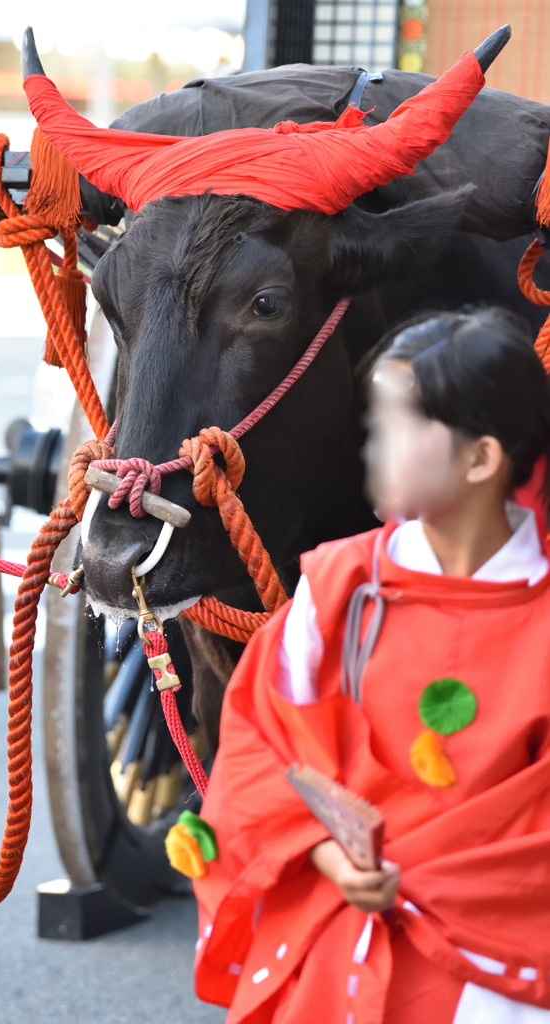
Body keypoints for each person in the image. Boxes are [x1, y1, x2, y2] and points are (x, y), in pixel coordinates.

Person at [192, 307, 550, 1024]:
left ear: (480, 460)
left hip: (495, 978)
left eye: (393, 429)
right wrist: (320, 846)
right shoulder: (336, 588)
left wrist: (416, 876)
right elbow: (255, 742)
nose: (371, 448)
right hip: (341, 932)